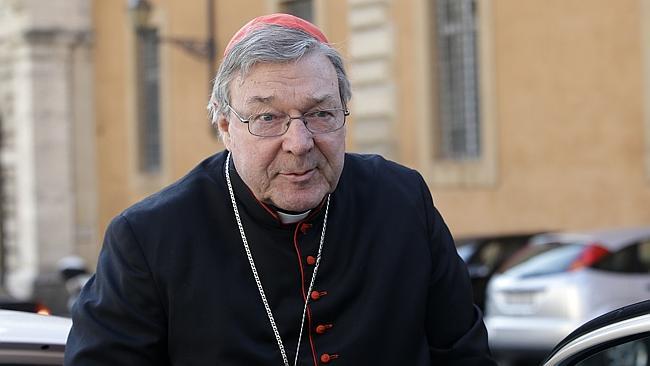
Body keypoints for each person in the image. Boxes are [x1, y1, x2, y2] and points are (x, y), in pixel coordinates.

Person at [64, 13, 496, 366]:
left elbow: (464, 354)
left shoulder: (402, 201)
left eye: (321, 113)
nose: (300, 142)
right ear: (226, 126)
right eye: (268, 118)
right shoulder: (149, 237)